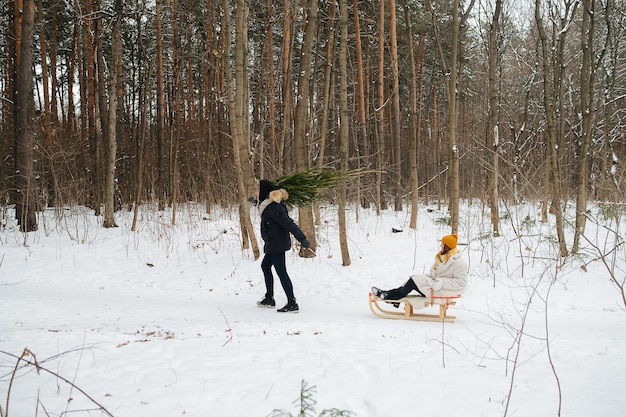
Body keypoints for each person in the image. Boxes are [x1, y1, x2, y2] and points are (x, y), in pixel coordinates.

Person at [256, 179, 311, 313]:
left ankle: (292, 303)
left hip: (277, 244)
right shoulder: (268, 204)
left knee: (281, 272)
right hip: (273, 243)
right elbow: (262, 208)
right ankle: (269, 298)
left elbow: (288, 223)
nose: (257, 191)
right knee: (265, 266)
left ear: (264, 191)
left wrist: (302, 238)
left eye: (258, 189)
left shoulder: (274, 207)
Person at [372, 233, 467, 301]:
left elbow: (461, 282)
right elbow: (435, 274)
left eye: (442, 243)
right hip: (434, 286)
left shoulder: (458, 263)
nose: (440, 245)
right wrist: (429, 277)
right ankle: (386, 293)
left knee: (414, 280)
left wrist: (442, 283)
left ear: (447, 246)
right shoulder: (443, 258)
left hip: (441, 290)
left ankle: (388, 295)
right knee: (411, 282)